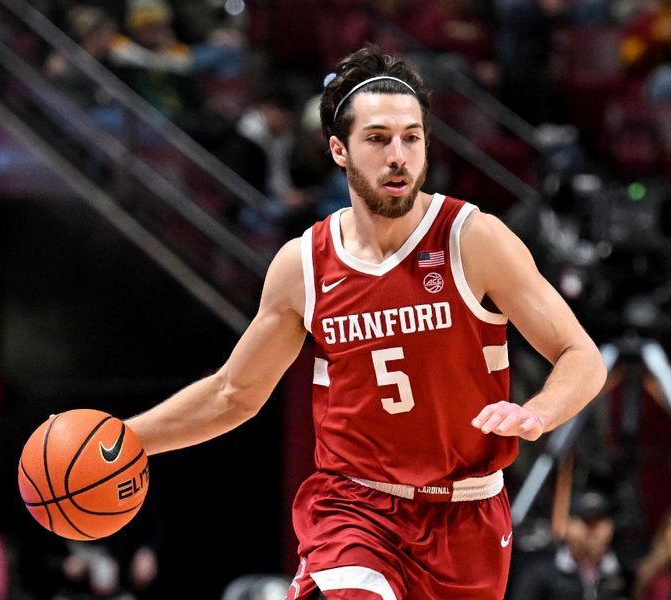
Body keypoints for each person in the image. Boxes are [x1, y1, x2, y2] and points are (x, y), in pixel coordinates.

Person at [124, 45, 607, 599]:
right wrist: (126, 438)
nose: (398, 155)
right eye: (377, 139)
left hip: (466, 517)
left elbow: (582, 357)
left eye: (412, 137)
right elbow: (234, 394)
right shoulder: (303, 265)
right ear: (339, 149)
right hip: (354, 506)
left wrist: (537, 412)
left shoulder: (473, 240)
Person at [510, 490, 629, 600]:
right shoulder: (539, 571)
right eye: (587, 522)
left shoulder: (626, 571)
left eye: (600, 522)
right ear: (566, 525)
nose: (594, 531)